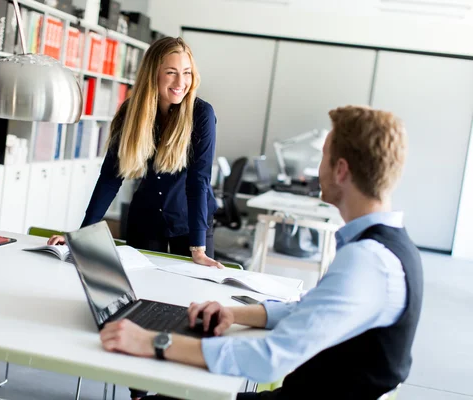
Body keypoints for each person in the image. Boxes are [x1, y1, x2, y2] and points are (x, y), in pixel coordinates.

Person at [98, 105, 424, 400]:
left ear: (341, 170)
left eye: (322, 156)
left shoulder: (367, 261)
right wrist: (234, 313)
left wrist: (154, 343)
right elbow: (307, 310)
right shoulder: (387, 248)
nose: (316, 168)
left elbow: (270, 358)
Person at [48, 36, 223, 269]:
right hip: (146, 219)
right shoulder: (131, 111)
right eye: (171, 72)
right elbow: (110, 178)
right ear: (154, 74)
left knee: (191, 294)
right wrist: (79, 237)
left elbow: (198, 181)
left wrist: (198, 248)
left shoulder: (201, 114)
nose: (181, 81)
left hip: (191, 221)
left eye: (187, 72)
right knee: (141, 288)